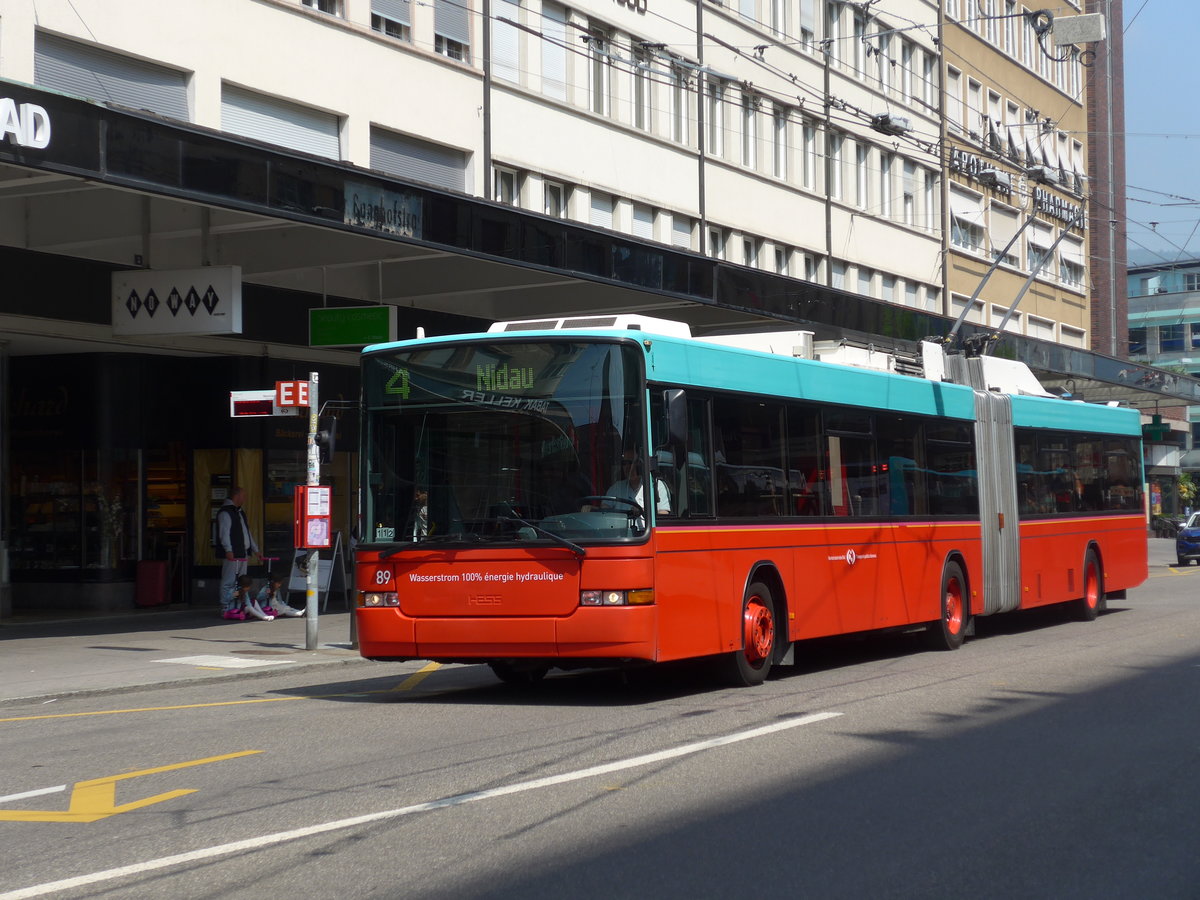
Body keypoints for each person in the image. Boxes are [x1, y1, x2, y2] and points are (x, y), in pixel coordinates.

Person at [217, 486, 259, 615]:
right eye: (243, 496)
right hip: (234, 552)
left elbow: (247, 532)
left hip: (242, 551)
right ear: (237, 496)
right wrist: (228, 549)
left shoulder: (240, 512)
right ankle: (225, 605)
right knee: (229, 580)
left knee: (241, 580)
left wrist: (255, 549)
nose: (245, 498)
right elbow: (224, 533)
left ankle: (239, 602)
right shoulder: (226, 512)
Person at [604, 452, 670, 514]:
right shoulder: (616, 487)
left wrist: (643, 512)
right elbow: (604, 509)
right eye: (624, 463)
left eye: (630, 463)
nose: (627, 467)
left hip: (646, 526)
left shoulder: (656, 485)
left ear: (640, 465)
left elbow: (664, 513)